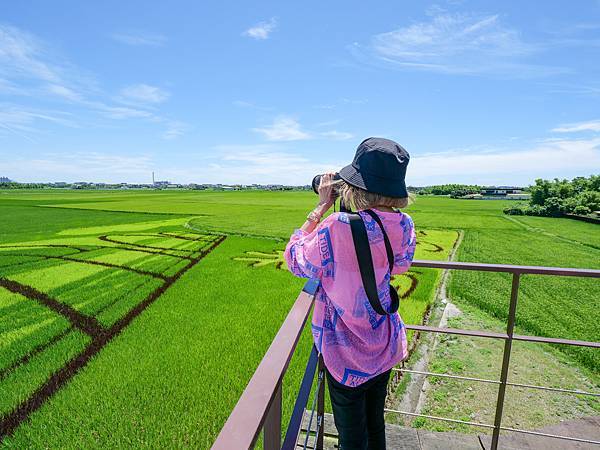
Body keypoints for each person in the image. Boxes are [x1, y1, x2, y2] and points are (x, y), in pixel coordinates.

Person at [284, 137, 416, 450]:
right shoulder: (405, 224)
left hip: (345, 352)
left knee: (351, 437)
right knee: (374, 424)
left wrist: (321, 206)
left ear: (355, 185)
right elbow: (399, 266)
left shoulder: (336, 226)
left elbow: (294, 258)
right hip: (383, 342)